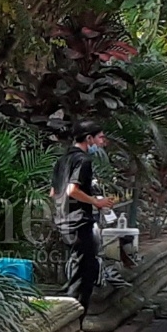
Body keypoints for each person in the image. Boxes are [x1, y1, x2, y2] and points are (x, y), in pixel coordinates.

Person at [52, 128, 117, 311]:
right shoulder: (83, 160)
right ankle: (75, 321)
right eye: (100, 137)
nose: (102, 142)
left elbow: (53, 192)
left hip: (63, 221)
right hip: (79, 222)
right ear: (89, 138)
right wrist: (97, 202)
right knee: (83, 275)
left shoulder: (62, 160)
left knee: (75, 269)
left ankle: (72, 319)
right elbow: (72, 190)